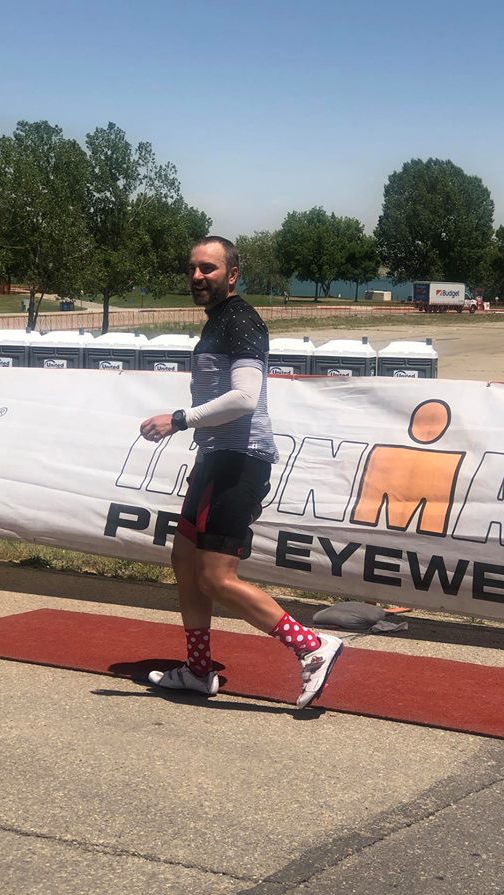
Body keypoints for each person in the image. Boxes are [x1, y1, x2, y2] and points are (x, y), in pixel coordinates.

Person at [140, 236, 342, 709]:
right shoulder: (217, 323)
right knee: (185, 563)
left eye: (208, 269)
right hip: (215, 461)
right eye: (192, 268)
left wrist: (178, 419)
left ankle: (311, 646)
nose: (196, 277)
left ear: (232, 275)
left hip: (239, 462)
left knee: (215, 578)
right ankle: (197, 670)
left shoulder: (241, 321)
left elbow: (245, 398)